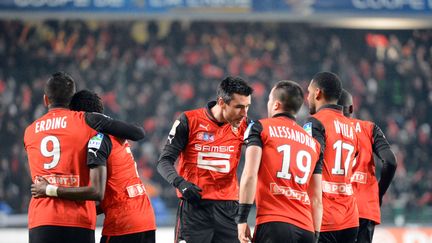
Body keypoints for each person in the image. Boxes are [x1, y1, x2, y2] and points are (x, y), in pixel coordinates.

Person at [24, 72, 145, 243]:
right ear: (72, 99)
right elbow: (136, 132)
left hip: (41, 218)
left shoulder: (29, 131)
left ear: (45, 100)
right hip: (79, 220)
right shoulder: (86, 120)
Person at [157, 76, 253, 243]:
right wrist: (181, 183)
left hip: (229, 210)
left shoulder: (247, 126)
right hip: (195, 208)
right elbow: (164, 161)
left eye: (247, 107)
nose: (244, 113)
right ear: (222, 102)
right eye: (239, 107)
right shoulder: (188, 121)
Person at [236, 80, 323, 243]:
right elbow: (317, 198)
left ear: (275, 105)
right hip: (306, 228)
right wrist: (315, 235)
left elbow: (249, 174)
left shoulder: (260, 128)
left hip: (273, 223)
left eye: (269, 100)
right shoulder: (314, 145)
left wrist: (242, 219)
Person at [304, 71, 359, 243]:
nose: (307, 97)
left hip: (325, 219)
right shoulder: (352, 128)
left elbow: (310, 163)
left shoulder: (314, 123)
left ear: (318, 93)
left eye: (309, 92)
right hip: (350, 218)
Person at [337, 89, 397, 243]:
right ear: (351, 108)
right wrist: (379, 193)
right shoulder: (369, 128)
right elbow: (390, 161)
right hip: (364, 207)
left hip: (336, 207)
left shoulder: (326, 128)